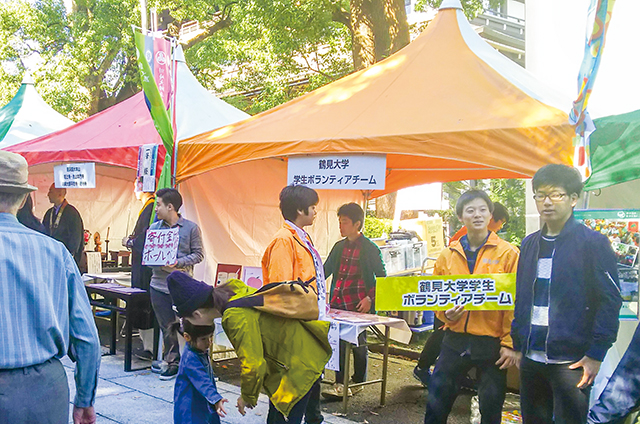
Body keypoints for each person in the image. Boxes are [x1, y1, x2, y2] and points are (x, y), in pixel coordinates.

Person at [512, 164, 623, 424]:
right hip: (531, 358)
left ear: (574, 198)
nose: (547, 202)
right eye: (540, 195)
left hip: (572, 361)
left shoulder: (592, 243)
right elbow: (523, 297)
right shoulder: (529, 244)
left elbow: (610, 300)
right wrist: (518, 344)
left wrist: (596, 353)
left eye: (556, 195)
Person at [0, 150, 101, 424]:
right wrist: (84, 399)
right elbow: (88, 339)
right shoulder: (56, 253)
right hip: (45, 390)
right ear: (23, 200)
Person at [167, 271, 331, 424]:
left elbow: (253, 364)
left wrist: (247, 397)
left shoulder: (233, 317)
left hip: (297, 366)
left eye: (186, 319)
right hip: (305, 349)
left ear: (197, 314)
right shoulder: (232, 287)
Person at [424, 189, 520, 424]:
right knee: (436, 402)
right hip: (454, 339)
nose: (477, 215)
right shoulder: (447, 255)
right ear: (461, 217)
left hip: (491, 344)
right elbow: (437, 296)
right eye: (470, 210)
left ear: (490, 215)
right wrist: (445, 315)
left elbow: (515, 303)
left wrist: (509, 343)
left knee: (491, 406)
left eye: (482, 210)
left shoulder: (509, 254)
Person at [415, 201, 510, 388]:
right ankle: (424, 367)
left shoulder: (505, 251)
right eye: (502, 223)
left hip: (479, 321)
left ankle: (451, 374)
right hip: (455, 308)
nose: (500, 227)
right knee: (442, 334)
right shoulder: (462, 240)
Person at [261, 185, 328, 424]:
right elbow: (282, 292)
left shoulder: (301, 237)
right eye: (313, 208)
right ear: (301, 210)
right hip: (294, 330)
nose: (315, 212)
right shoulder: (283, 241)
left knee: (307, 386)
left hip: (307, 326)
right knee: (288, 399)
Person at [322, 202, 386, 398]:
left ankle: (359, 380)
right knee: (339, 342)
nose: (341, 226)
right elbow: (325, 271)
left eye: (345, 222)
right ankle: (340, 383)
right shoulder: (338, 246)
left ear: (357, 224)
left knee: (358, 344)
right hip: (338, 303)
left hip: (359, 305)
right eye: (340, 222)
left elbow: (382, 276)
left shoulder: (370, 248)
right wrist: (309, 285)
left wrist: (370, 298)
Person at [148, 187, 204, 380]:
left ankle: (195, 362)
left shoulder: (191, 228)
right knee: (167, 326)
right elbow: (148, 256)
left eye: (158, 204)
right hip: (158, 284)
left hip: (182, 285)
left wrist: (178, 262)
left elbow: (199, 254)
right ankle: (172, 362)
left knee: (187, 324)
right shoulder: (154, 229)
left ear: (170, 206)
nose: (156, 209)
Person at [173, 318, 228, 424]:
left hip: (202, 401)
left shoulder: (199, 351)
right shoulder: (190, 357)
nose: (209, 343)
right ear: (187, 337)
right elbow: (202, 380)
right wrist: (215, 398)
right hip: (190, 406)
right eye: (203, 339)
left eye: (210, 337)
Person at [123, 187, 156, 360]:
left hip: (145, 267)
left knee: (144, 303)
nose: (134, 190)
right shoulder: (147, 207)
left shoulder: (150, 207)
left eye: (136, 186)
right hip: (140, 265)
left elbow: (144, 237)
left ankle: (150, 347)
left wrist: (130, 241)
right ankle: (146, 344)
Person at [43, 183, 85, 264]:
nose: (48, 194)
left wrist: (69, 257)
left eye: (51, 191)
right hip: (50, 258)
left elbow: (76, 239)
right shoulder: (49, 214)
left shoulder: (72, 214)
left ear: (60, 194)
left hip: (65, 260)